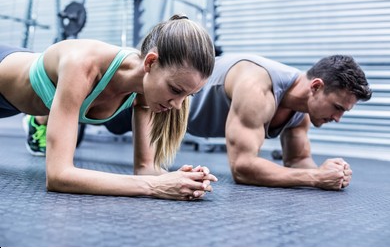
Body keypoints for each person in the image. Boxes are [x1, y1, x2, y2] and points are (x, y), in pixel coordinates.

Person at [0, 14, 217, 200]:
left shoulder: (146, 92)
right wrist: (155, 186)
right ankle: (39, 121)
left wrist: (184, 179)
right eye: (176, 90)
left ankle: (41, 118)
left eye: (189, 95)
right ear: (150, 62)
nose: (178, 106)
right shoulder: (82, 65)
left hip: (19, 101)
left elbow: (145, 169)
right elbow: (58, 176)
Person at [102, 54, 372, 191]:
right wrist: (315, 177)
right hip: (157, 104)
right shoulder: (258, 86)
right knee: (105, 114)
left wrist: (329, 173)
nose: (337, 118)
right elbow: (243, 168)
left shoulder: (302, 110)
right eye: (338, 107)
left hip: (181, 122)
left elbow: (299, 161)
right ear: (316, 86)